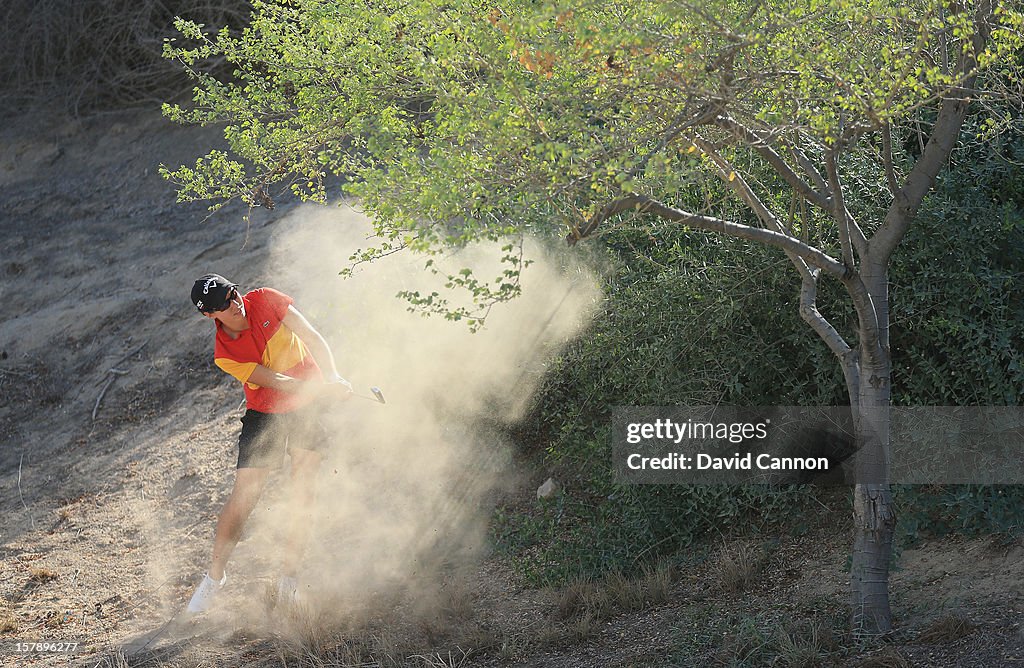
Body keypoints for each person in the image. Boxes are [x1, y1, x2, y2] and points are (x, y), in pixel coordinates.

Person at [185, 273, 352, 614]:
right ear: (209, 316)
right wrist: (313, 388)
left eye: (232, 294)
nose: (234, 305)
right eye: (223, 306)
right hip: (266, 412)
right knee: (244, 495)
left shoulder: (267, 299)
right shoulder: (224, 353)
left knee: (303, 489)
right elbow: (272, 380)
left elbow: (311, 335)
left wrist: (331, 375)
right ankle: (215, 577)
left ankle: (288, 580)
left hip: (309, 407)